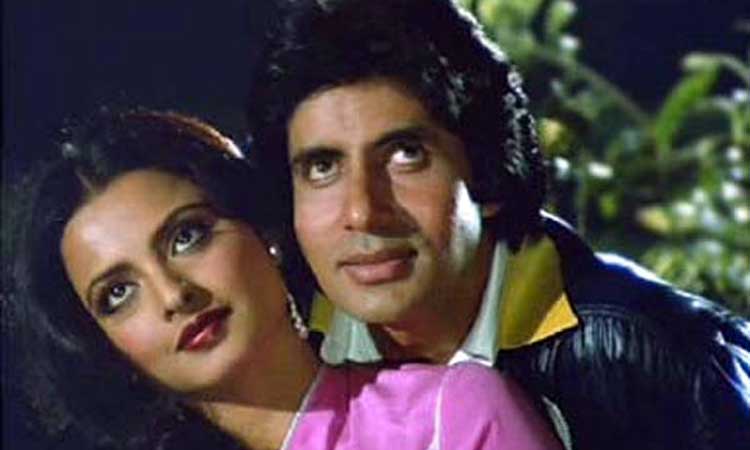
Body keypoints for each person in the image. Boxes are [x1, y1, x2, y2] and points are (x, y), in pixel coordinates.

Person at [244, 0, 750, 449]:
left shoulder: (664, 359)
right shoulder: (280, 345)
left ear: (486, 173)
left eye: (406, 155)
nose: (361, 211)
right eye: (322, 167)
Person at [6, 110, 562, 450]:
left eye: (186, 236)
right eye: (118, 294)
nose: (174, 295)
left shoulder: (451, 418)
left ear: (264, 229)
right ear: (102, 346)